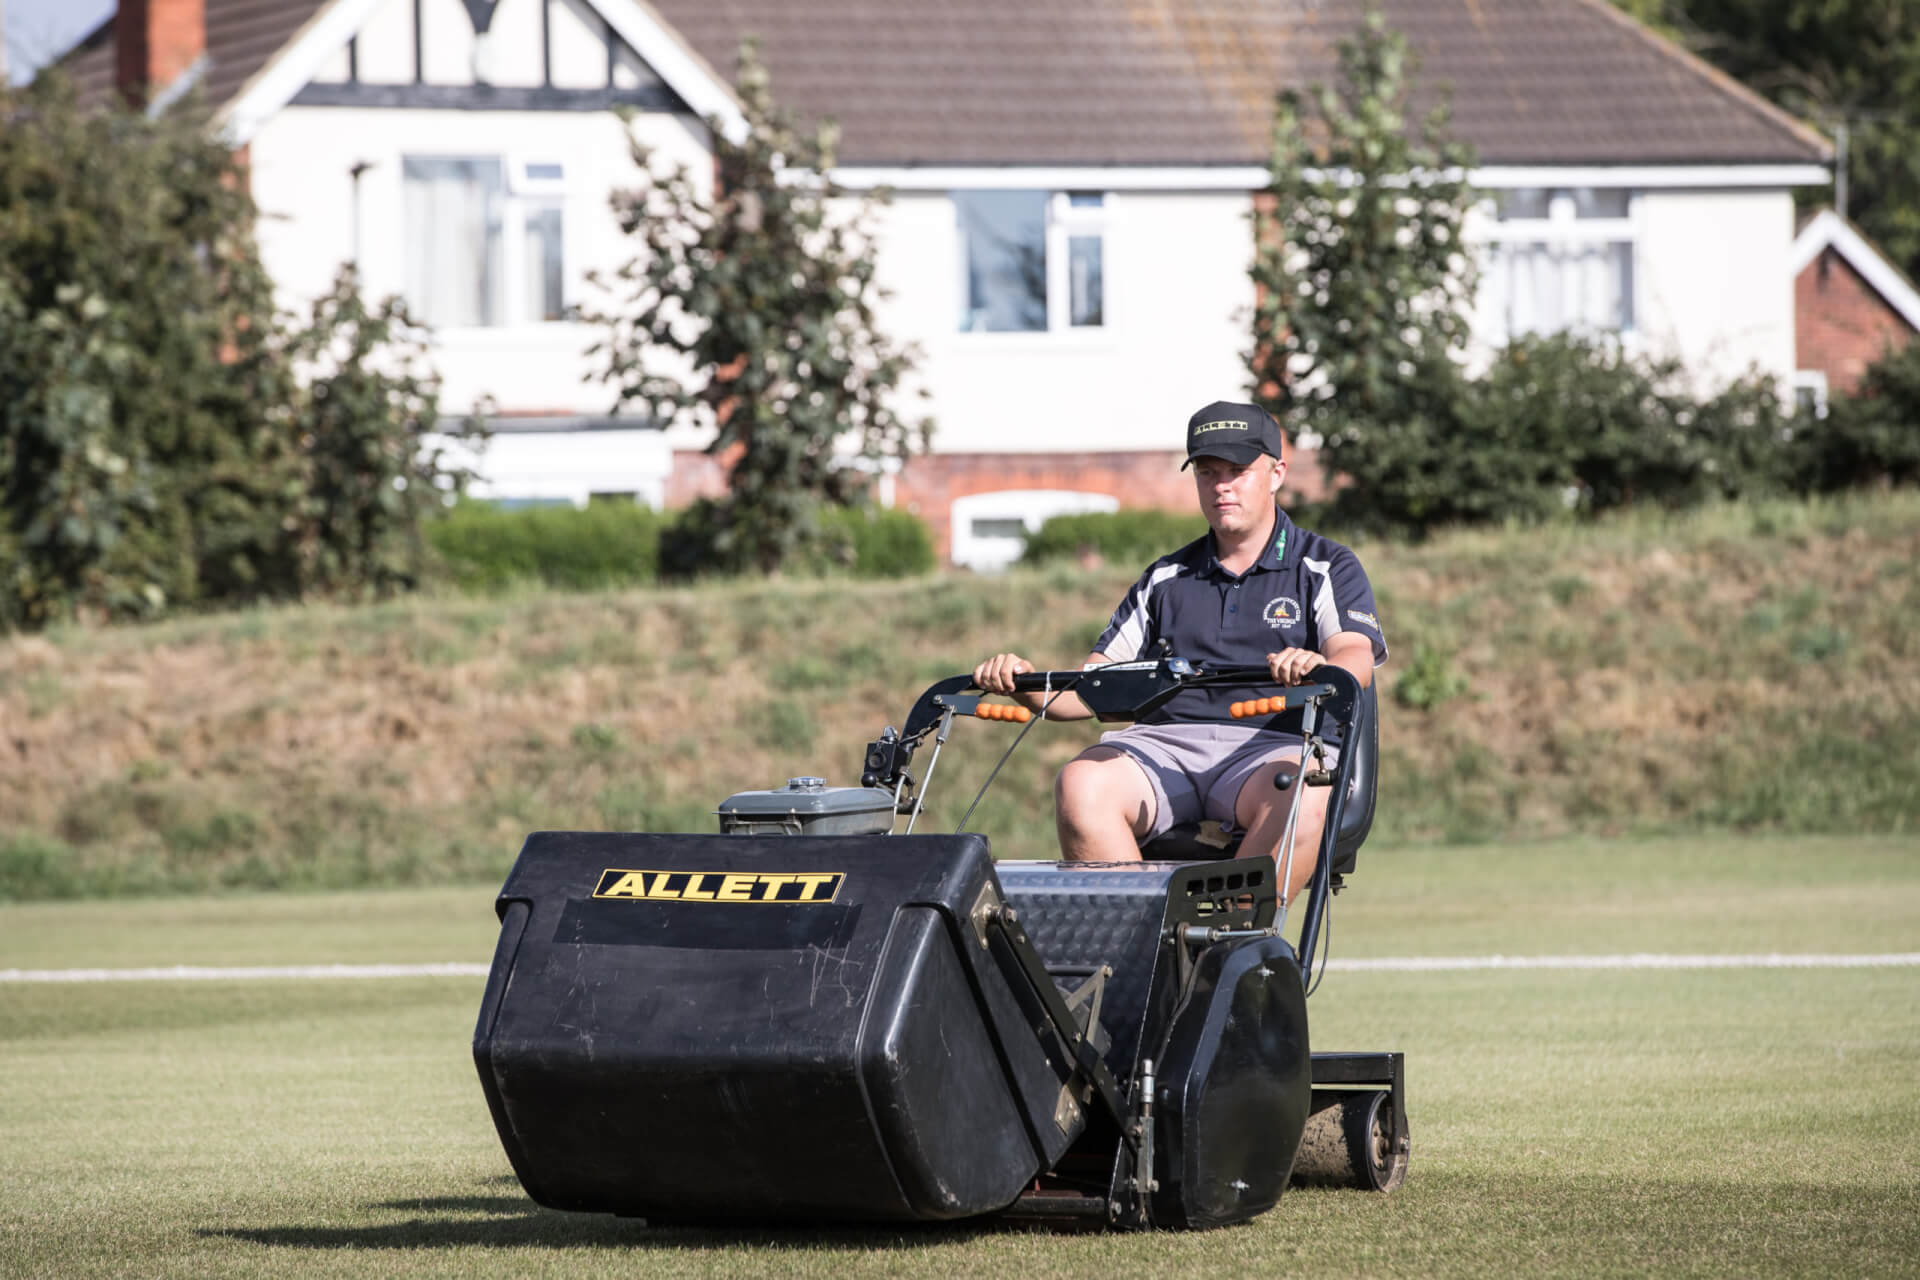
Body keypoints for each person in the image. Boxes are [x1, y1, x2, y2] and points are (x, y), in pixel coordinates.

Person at [973, 401, 1386, 900]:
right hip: (1164, 746)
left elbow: (1355, 657)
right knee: (1081, 782)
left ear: (1276, 474)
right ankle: (1141, 947)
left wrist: (1319, 665)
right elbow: (1087, 691)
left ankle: (1234, 941)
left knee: (1306, 792)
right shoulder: (1165, 578)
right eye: (1208, 472)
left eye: (1237, 471)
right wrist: (1024, 682)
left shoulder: (1324, 565)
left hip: (1269, 744)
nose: (1221, 486)